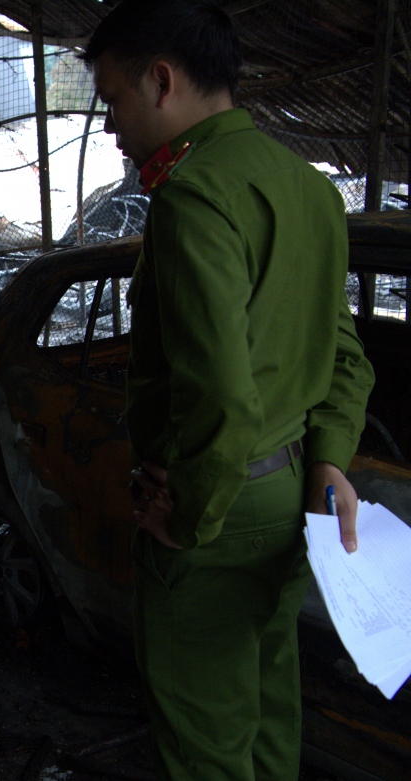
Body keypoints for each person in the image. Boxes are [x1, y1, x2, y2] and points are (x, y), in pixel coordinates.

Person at [82, 2, 375, 778]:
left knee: (205, 740)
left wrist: (193, 519)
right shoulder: (307, 185)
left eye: (113, 99)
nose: (111, 124)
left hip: (214, 505)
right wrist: (330, 459)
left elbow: (218, 390)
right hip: (290, 498)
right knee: (269, 709)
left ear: (163, 80)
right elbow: (345, 353)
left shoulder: (191, 195)